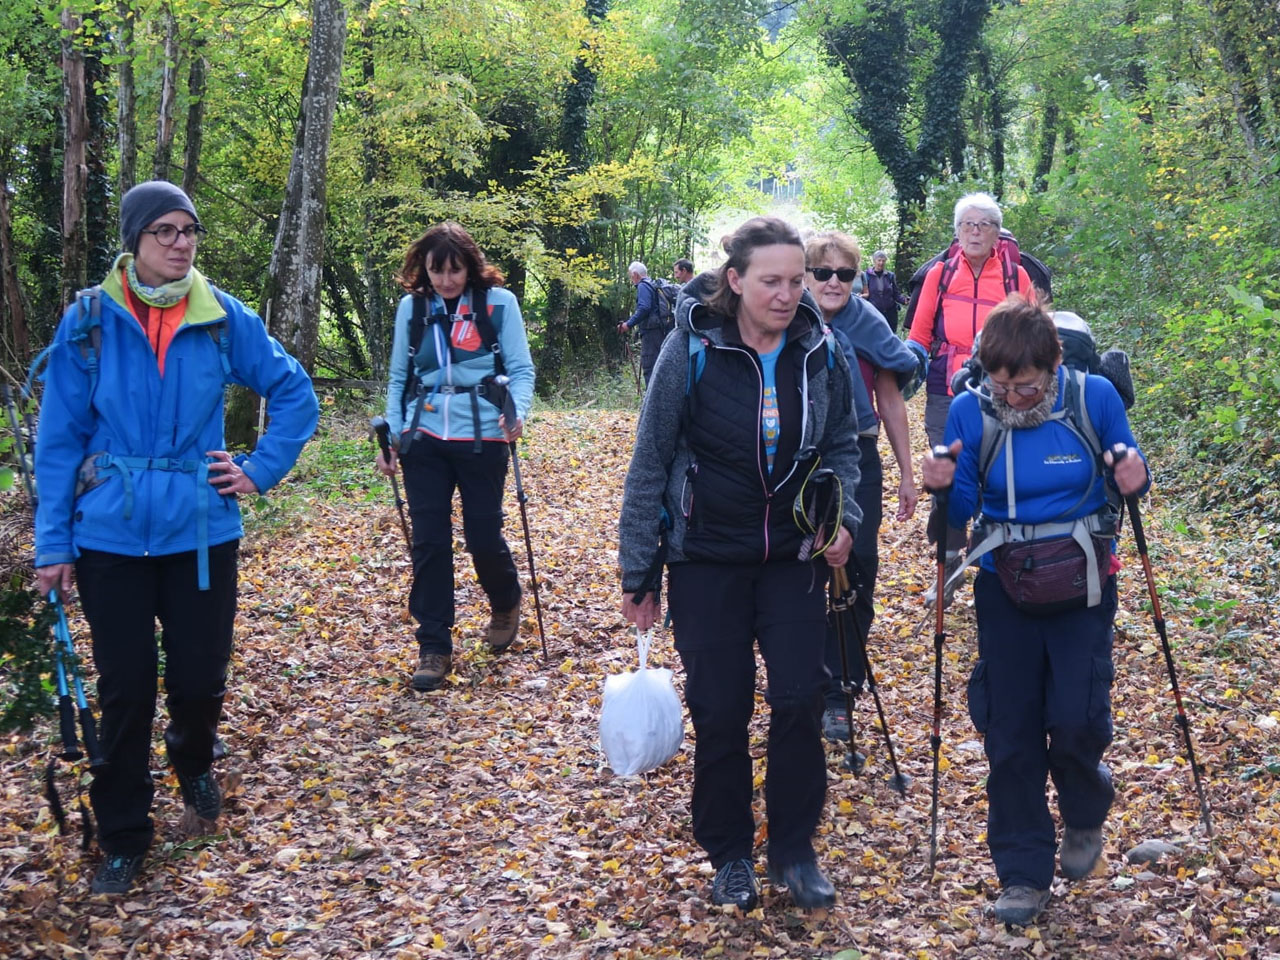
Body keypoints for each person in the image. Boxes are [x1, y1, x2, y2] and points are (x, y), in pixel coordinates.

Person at [33, 180, 319, 895]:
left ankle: (192, 762)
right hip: (110, 537)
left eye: (189, 230)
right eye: (164, 230)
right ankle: (125, 835)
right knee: (126, 688)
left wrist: (258, 469)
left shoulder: (222, 316)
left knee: (199, 678)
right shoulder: (89, 321)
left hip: (200, 530)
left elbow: (294, 392)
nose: (181, 243)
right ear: (135, 240)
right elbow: (59, 439)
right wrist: (53, 543)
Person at [618, 216, 862, 912]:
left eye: (797, 281)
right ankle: (729, 855)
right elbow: (650, 459)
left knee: (799, 699)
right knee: (721, 711)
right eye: (771, 282)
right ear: (736, 280)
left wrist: (844, 520)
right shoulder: (691, 346)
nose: (787, 295)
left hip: (792, 555)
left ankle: (794, 849)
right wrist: (639, 571)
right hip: (706, 559)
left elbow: (843, 446)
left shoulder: (821, 349)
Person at [920, 296, 1149, 927]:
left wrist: (1134, 474)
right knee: (1011, 731)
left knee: (1076, 717)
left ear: (1053, 365)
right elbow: (960, 511)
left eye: (1025, 385)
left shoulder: (1094, 397)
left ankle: (1084, 806)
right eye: (1000, 385)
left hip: (1084, 583)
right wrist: (944, 484)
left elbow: (1130, 473)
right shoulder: (972, 410)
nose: (1013, 397)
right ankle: (1022, 873)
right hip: (1004, 584)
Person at [378, 222, 535, 693]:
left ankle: (505, 599)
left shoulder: (498, 304)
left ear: (469, 266)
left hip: (484, 433)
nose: (445, 280)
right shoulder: (412, 308)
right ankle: (434, 645)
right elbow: (398, 378)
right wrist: (392, 436)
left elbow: (521, 369)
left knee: (482, 535)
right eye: (436, 270)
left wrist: (516, 412)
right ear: (423, 269)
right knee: (429, 541)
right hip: (424, 434)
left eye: (454, 270)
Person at [803, 232, 919, 744]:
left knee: (859, 567)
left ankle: (840, 691)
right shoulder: (788, 317)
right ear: (806, 275)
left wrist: (907, 474)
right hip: (799, 462)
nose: (833, 282)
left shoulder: (869, 323)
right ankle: (802, 678)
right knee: (801, 568)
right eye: (823, 272)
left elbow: (890, 399)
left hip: (859, 457)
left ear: (858, 278)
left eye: (845, 274)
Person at [907, 192, 1037, 606]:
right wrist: (904, 372)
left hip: (1003, 390)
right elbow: (919, 334)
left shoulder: (1016, 276)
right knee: (948, 478)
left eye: (984, 225)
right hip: (947, 388)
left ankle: (1000, 568)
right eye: (968, 224)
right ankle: (948, 568)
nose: (975, 232)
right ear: (957, 231)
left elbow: (1036, 334)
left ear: (998, 233)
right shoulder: (940, 274)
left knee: (999, 475)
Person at [616, 262, 668, 387]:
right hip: (659, 331)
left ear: (635, 274)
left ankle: (651, 399)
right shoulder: (652, 285)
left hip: (651, 333)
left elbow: (644, 308)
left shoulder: (643, 286)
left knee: (650, 367)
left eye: (631, 275)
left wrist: (628, 324)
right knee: (658, 367)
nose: (631, 279)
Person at [862, 250, 909, 332]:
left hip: (890, 312)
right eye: (879, 260)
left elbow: (896, 294)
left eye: (883, 261)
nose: (881, 263)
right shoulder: (867, 276)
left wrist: (905, 300)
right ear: (874, 261)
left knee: (891, 334)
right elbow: (864, 294)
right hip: (874, 312)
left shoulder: (890, 276)